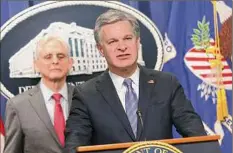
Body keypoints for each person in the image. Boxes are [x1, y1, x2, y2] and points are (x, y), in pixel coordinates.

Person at [64, 9, 206, 153]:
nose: (122, 47)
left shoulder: (166, 84)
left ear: (137, 42)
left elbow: (197, 135)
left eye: (127, 38)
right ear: (101, 49)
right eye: (112, 41)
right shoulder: (86, 94)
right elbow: (74, 147)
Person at [4, 34, 74, 153]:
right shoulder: (18, 105)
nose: (55, 61)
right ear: (36, 65)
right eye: (48, 57)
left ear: (70, 63)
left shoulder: (84, 98)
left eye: (61, 56)